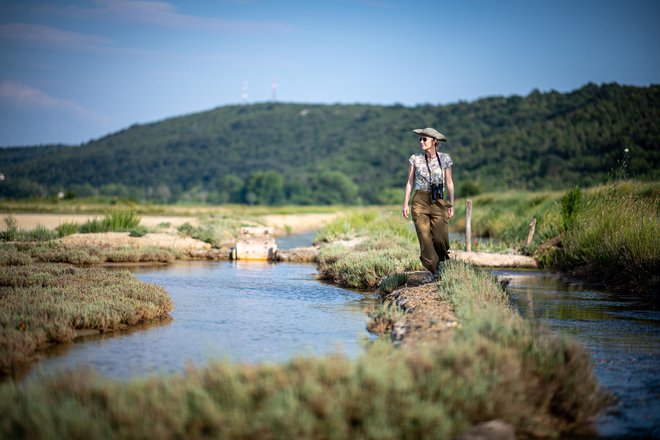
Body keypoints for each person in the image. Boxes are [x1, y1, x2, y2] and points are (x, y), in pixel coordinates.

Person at [402, 127, 455, 282]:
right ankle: (434, 272)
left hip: (439, 200)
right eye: (420, 139)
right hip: (420, 200)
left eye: (424, 139)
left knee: (440, 238)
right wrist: (405, 204)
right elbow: (409, 183)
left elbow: (450, 182)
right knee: (425, 237)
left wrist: (451, 203)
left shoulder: (445, 159)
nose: (421, 142)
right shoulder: (415, 159)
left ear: (434, 141)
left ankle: (443, 265)